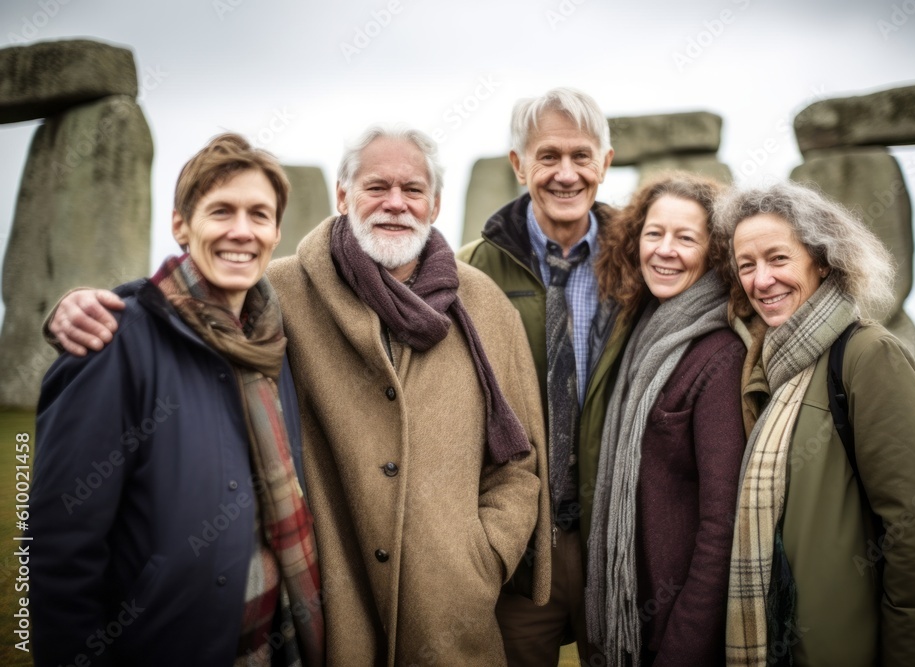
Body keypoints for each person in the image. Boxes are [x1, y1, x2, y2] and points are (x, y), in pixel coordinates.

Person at [45, 124, 548, 665]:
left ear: (436, 203)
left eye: (413, 189)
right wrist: (86, 305)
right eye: (376, 187)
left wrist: (483, 555)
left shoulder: (486, 307)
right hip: (334, 617)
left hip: (452, 618)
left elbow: (520, 459)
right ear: (341, 195)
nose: (395, 204)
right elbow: (188, 302)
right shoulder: (278, 293)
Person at [30, 133, 325, 666]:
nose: (242, 231)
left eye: (259, 215)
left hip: (271, 644)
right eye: (221, 211)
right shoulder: (112, 339)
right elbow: (58, 548)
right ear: (180, 225)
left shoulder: (272, 342)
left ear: (277, 232)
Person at [718, 181, 915, 666]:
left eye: (778, 259)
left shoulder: (869, 355)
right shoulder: (769, 365)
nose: (761, 280)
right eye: (747, 265)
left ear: (824, 260)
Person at [458, 87, 631, 664]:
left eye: (582, 156)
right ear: (517, 164)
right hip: (518, 544)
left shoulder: (644, 266)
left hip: (618, 537)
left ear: (605, 163)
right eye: (547, 156)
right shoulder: (467, 273)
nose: (565, 173)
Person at [584, 172, 745, 666]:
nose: (665, 250)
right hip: (630, 619)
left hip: (673, 633)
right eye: (654, 234)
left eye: (686, 238)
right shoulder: (638, 332)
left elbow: (723, 524)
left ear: (714, 251)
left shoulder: (719, 354)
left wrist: (684, 645)